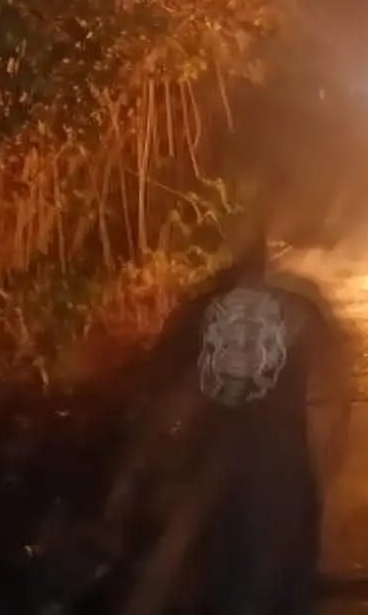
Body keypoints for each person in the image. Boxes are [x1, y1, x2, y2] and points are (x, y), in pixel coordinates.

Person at [109, 221, 353, 615]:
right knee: (283, 590)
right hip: (283, 480)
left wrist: (143, 477)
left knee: (222, 591)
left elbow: (159, 403)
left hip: (213, 483)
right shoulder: (303, 311)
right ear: (265, 256)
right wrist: (324, 468)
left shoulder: (191, 315)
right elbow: (333, 400)